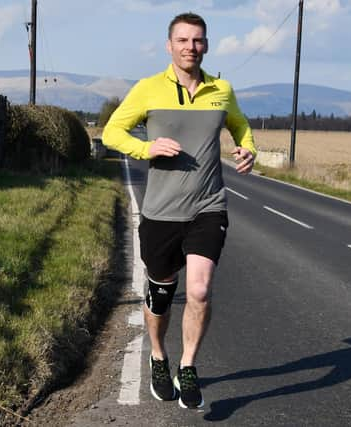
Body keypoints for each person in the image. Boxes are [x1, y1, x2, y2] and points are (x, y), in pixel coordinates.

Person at [103, 12, 256, 409]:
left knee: (201, 290)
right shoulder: (148, 89)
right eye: (184, 40)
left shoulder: (221, 90)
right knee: (161, 295)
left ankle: (187, 365)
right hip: (160, 211)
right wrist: (146, 149)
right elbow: (112, 132)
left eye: (199, 40)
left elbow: (239, 125)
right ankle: (158, 355)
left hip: (208, 205)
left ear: (207, 45)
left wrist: (247, 147)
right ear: (169, 46)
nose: (192, 47)